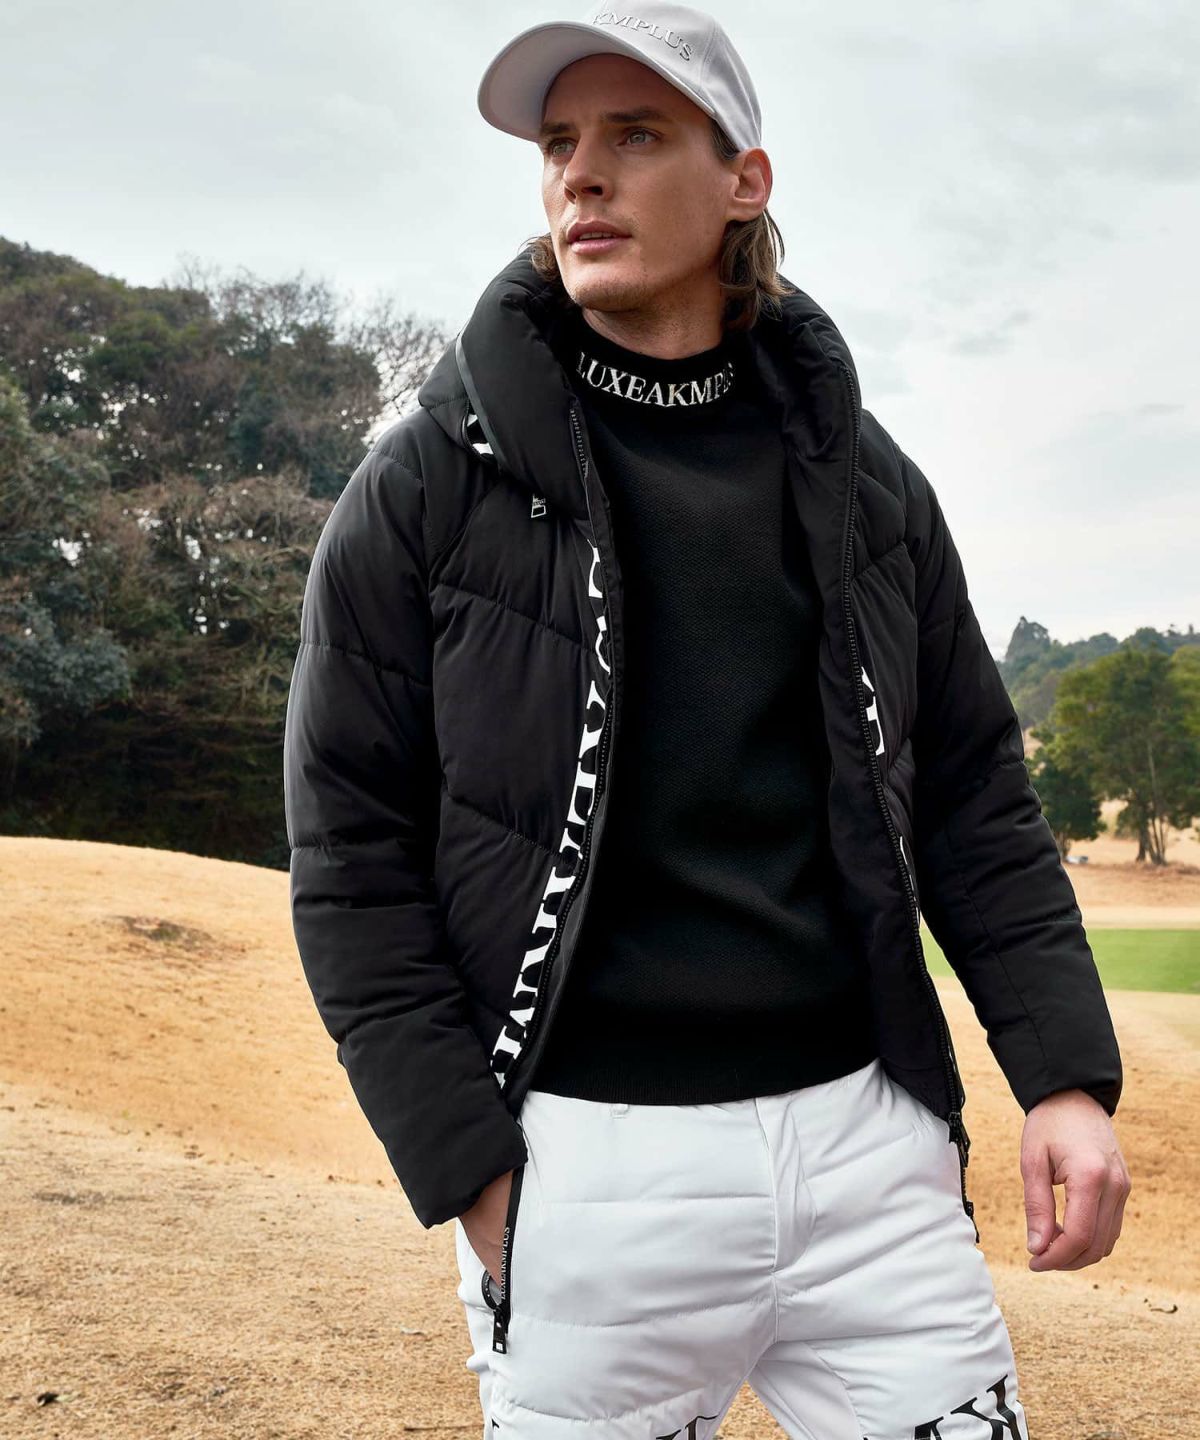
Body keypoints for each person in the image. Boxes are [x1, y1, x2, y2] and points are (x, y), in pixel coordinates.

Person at [283, 4, 1131, 1435]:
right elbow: (348, 853)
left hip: (872, 1156)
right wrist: (469, 1169)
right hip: (584, 1175)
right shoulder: (425, 485)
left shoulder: (868, 482)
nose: (580, 175)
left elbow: (975, 795)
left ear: (746, 180)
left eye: (635, 134)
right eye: (559, 144)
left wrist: (1064, 1077)